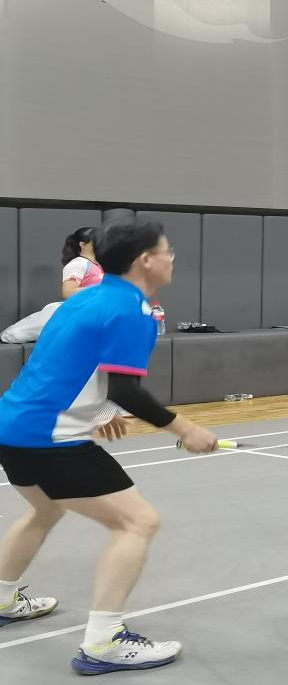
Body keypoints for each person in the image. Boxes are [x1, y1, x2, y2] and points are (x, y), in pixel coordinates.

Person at [0, 217, 219, 675]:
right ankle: (104, 642)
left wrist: (99, 411)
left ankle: (1, 599)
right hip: (51, 436)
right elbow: (127, 390)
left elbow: (64, 361)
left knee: (44, 510)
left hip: (12, 425)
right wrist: (186, 430)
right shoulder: (132, 311)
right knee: (138, 522)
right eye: (166, 250)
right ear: (145, 260)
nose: (172, 258)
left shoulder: (84, 298)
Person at [62, 226, 104, 299]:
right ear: (83, 245)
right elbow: (68, 292)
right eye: (97, 240)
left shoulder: (101, 264)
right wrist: (102, 289)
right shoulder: (77, 264)